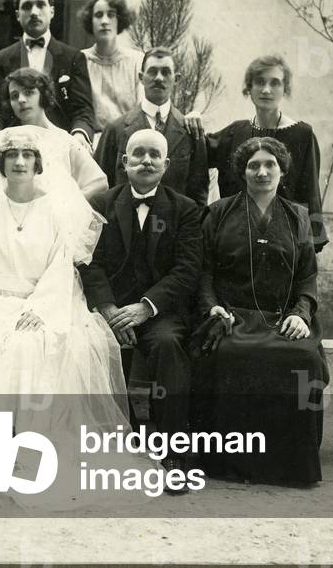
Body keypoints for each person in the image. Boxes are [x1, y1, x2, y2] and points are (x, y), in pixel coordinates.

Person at [0, 127, 133, 484]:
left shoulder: (55, 207)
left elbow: (60, 265)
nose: (19, 162)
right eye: (12, 156)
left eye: (27, 156)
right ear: (1, 163)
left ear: (38, 164)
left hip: (47, 299)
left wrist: (38, 308)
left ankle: (15, 443)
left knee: (30, 343)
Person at [194, 136, 327, 486]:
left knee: (302, 359)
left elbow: (307, 275)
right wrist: (212, 309)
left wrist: (301, 313)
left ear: (282, 171)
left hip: (283, 316)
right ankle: (230, 465)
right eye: (254, 165)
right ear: (242, 171)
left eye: (270, 165)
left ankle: (290, 467)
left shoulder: (297, 216)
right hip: (232, 316)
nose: (262, 171)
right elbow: (204, 272)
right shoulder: (219, 212)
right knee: (230, 354)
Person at [79, 129, 203, 482]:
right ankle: (121, 443)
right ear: (124, 162)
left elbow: (187, 269)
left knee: (167, 345)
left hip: (160, 312)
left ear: (166, 164)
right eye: (138, 154)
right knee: (93, 343)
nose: (145, 161)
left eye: (154, 155)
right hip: (112, 311)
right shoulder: (101, 204)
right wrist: (109, 311)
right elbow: (89, 260)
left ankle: (172, 451)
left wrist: (146, 308)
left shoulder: (185, 209)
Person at [204, 55, 327, 251]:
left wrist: (309, 247)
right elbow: (196, 150)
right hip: (236, 242)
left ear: (285, 89)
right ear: (249, 88)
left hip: (284, 242)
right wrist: (191, 118)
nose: (266, 90)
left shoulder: (302, 134)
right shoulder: (235, 132)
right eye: (259, 82)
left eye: (275, 83)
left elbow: (310, 192)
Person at [0, 0, 97, 149]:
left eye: (40, 5)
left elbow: (83, 109)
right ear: (17, 15)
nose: (34, 12)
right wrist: (2, 143)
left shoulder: (73, 58)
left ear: (51, 11)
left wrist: (79, 135)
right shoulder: (0, 60)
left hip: (60, 148)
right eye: (27, 6)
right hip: (15, 149)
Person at [0, 68, 107, 198]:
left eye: (28, 92)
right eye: (14, 96)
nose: (21, 100)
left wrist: (67, 207)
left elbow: (98, 183)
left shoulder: (64, 140)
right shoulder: (2, 140)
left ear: (43, 95)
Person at [94, 46, 208, 205]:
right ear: (141, 77)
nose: (159, 78)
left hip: (173, 226)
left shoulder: (190, 131)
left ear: (176, 79)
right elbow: (100, 187)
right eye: (153, 71)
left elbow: (199, 194)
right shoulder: (116, 129)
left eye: (166, 72)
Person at [78, 0, 142, 131]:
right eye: (98, 15)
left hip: (127, 139)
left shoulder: (137, 61)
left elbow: (142, 110)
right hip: (91, 142)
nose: (105, 21)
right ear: (90, 20)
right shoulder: (80, 60)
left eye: (111, 15)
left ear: (119, 20)